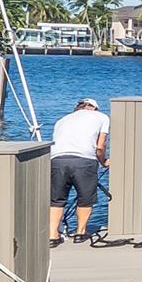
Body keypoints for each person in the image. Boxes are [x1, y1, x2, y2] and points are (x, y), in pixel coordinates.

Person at [49, 98, 110, 246]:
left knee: (56, 200)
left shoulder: (61, 120)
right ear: (94, 108)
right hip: (84, 161)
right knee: (85, 198)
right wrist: (104, 161)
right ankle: (80, 233)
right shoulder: (102, 117)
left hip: (57, 160)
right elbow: (100, 146)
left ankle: (53, 236)